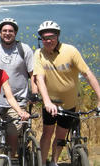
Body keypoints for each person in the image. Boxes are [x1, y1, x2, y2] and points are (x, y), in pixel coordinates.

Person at [33, 20, 100, 166]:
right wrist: (47, 102)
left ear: (58, 36)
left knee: (61, 136)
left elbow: (88, 74)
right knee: (47, 134)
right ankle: (43, 163)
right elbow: (40, 79)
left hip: (70, 103)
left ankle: (54, 162)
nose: (48, 41)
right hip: (50, 103)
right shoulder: (39, 54)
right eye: (44, 38)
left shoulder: (70, 51)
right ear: (41, 39)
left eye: (51, 37)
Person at [0, 18, 38, 158]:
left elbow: (33, 75)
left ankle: (11, 159)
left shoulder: (24, 49)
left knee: (12, 135)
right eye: (4, 31)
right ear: (0, 33)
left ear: (16, 33)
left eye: (10, 31)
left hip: (18, 101)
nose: (7, 33)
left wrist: (34, 93)